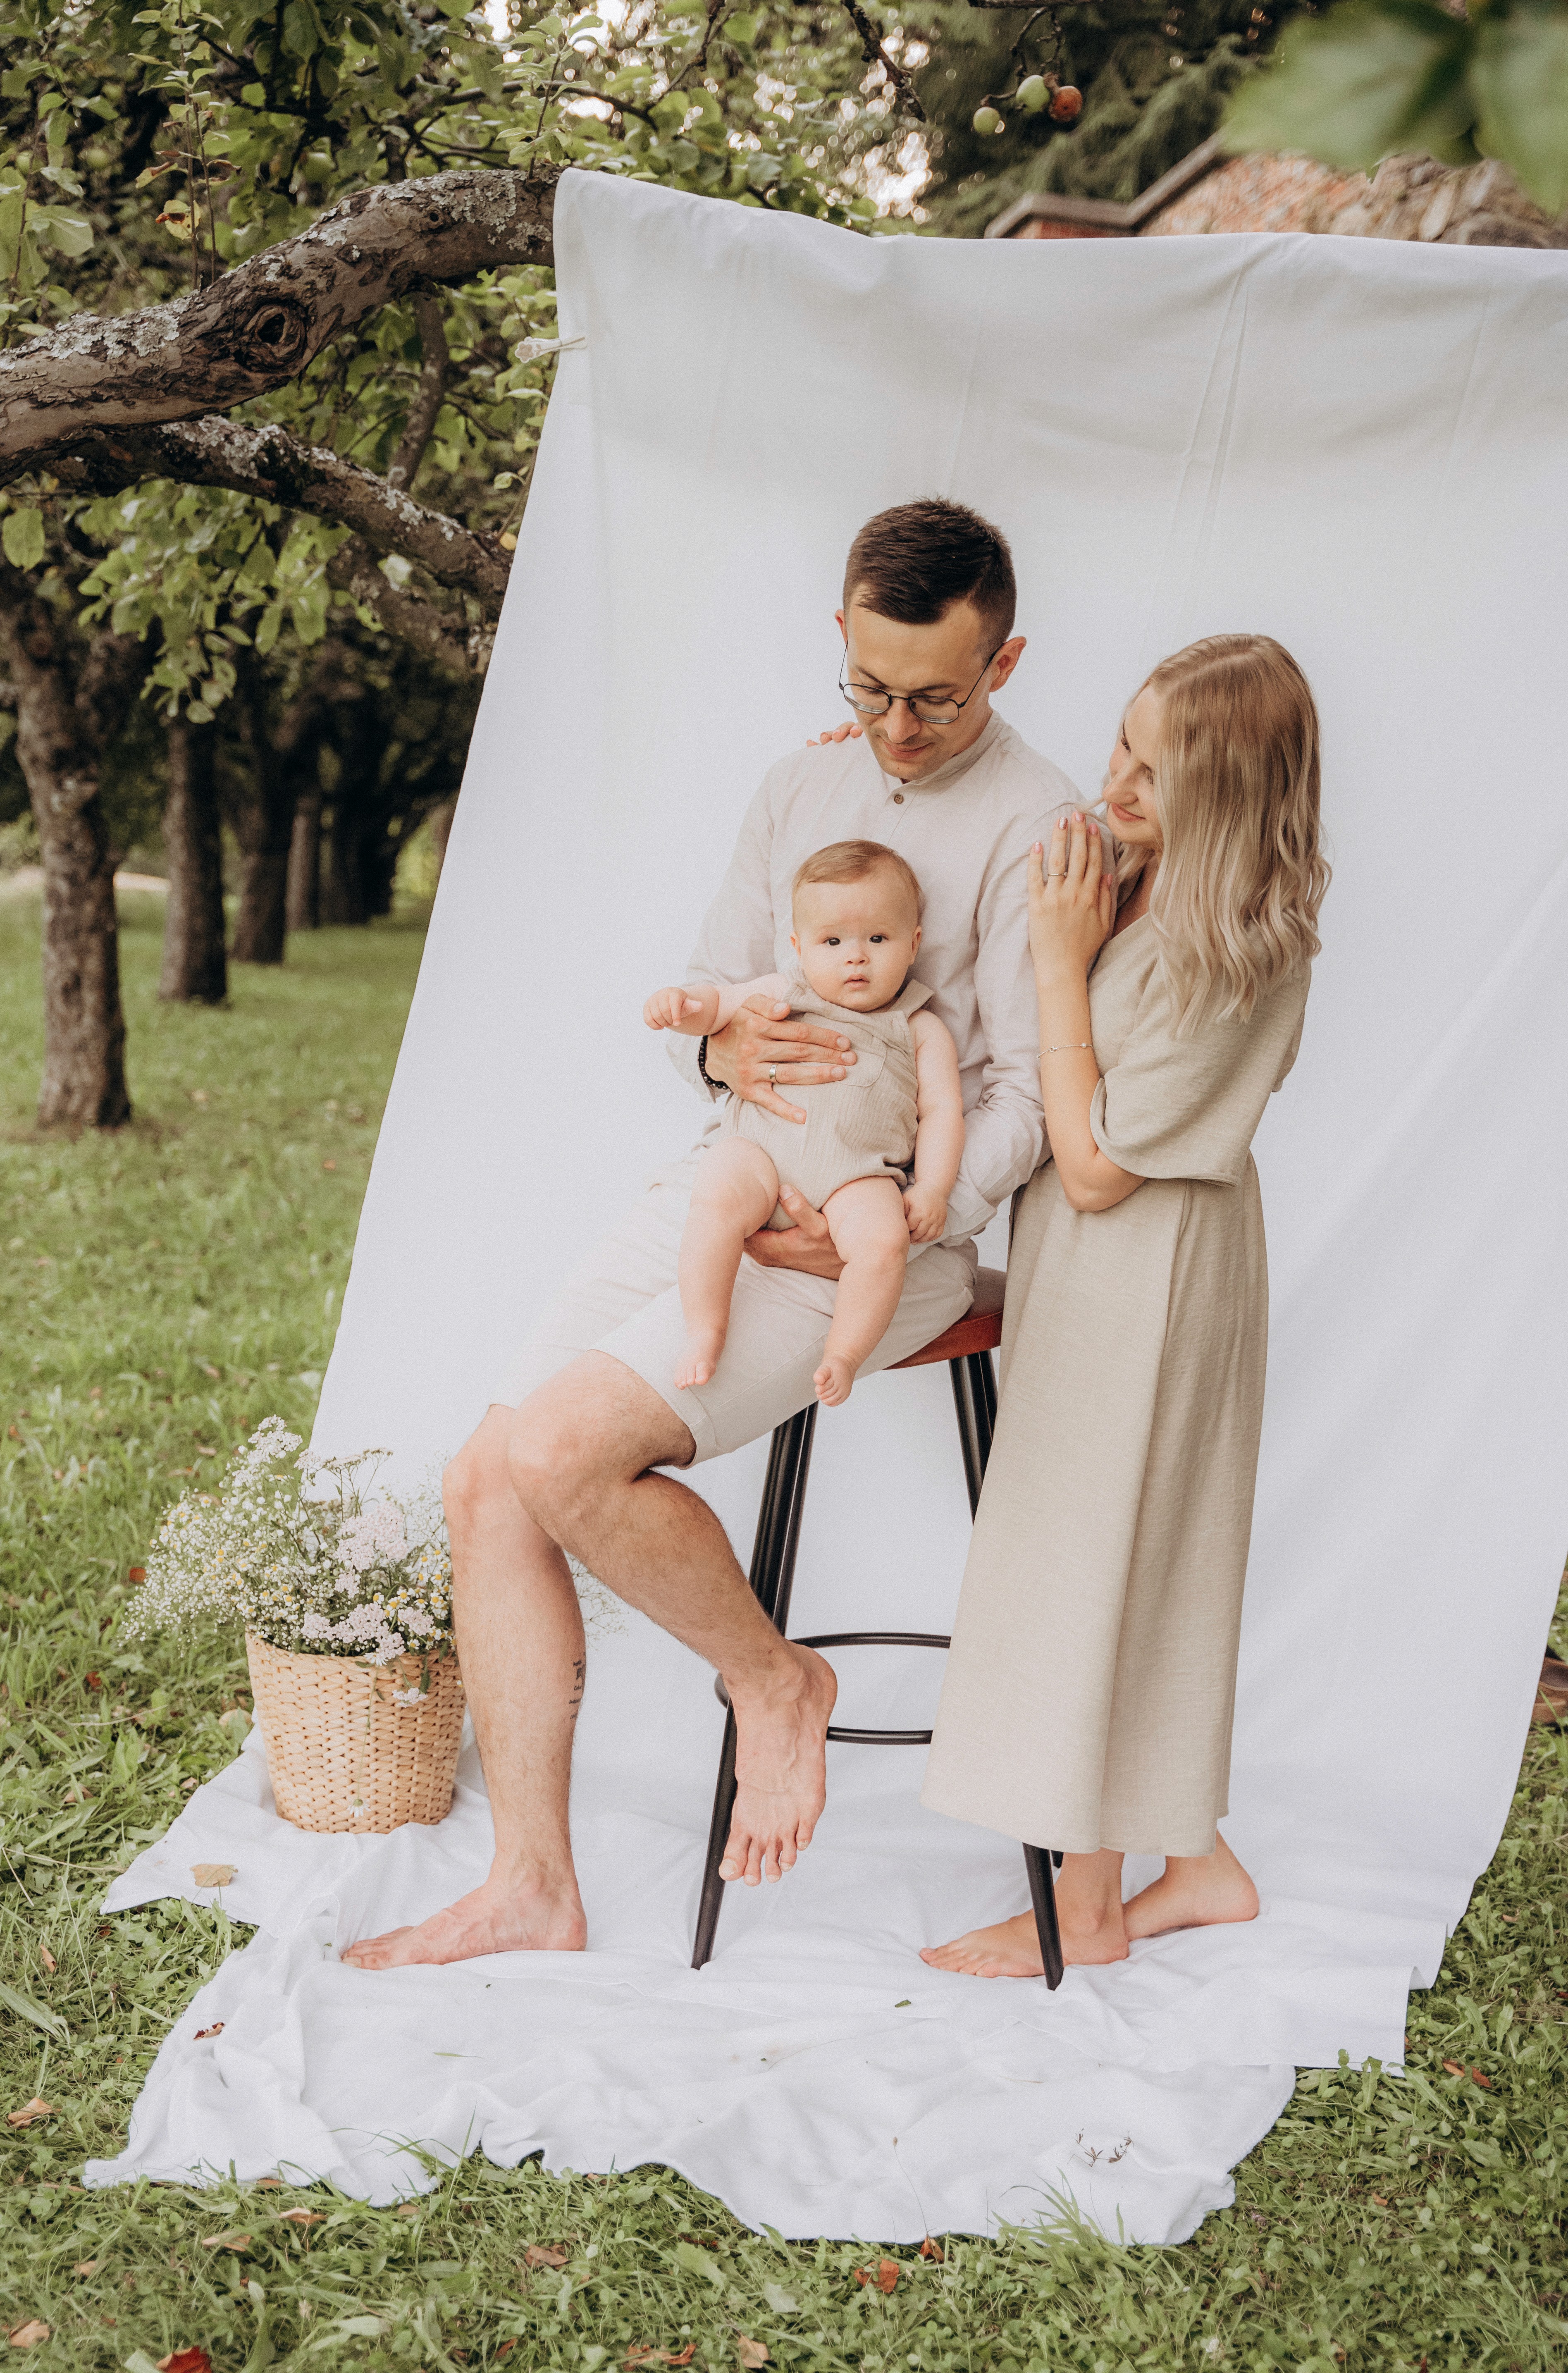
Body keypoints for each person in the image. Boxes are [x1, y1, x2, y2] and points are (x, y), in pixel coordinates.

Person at [343, 497, 1082, 1970]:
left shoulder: (1039, 827)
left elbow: (1023, 1094)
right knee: (489, 1475)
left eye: (936, 696)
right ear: (841, 644)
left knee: (563, 1454)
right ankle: (534, 1887)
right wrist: (720, 1051)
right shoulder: (795, 786)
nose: (899, 727)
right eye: (868, 690)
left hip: (887, 1236)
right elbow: (708, 991)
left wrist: (913, 1209)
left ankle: (771, 1682)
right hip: (730, 1176)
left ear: (1006, 663)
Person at [919, 633, 1329, 1979]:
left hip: (1153, 1274)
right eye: (1121, 746)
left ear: (1230, 795)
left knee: (1109, 1564)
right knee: (1106, 1555)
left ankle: (1088, 1913)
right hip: (1092, 1273)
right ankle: (1194, 1861)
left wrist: (1056, 963)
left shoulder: (1239, 948)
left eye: (1156, 771)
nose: (1118, 782)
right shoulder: (1130, 878)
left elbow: (1093, 1168)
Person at [642, 840, 964, 1406]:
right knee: (714, 1198)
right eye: (833, 941)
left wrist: (934, 1187)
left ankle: (844, 1352)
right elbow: (717, 1005)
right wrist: (683, 1003)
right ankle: (706, 1328)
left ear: (913, 943)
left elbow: (941, 1112)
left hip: (856, 1176)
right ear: (798, 946)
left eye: (878, 939)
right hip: (761, 1154)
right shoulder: (780, 990)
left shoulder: (919, 1028)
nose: (855, 957)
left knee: (885, 1243)